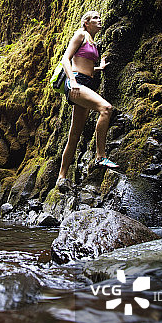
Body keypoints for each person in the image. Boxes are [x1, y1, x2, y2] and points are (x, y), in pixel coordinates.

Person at [56, 10, 119, 190]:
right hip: (76, 83)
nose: (100, 21)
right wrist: (73, 81)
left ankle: (61, 177)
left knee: (74, 135)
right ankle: (100, 157)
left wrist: (99, 68)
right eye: (95, 19)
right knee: (106, 108)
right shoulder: (80, 34)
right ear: (86, 23)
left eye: (100, 18)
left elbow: (86, 65)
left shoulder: (93, 42)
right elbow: (66, 59)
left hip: (85, 83)